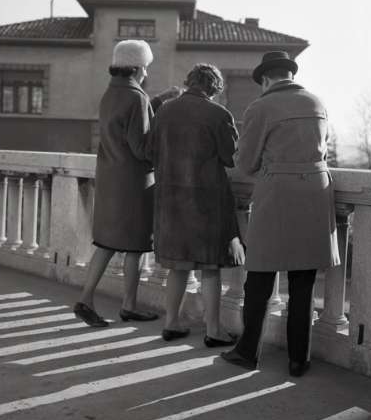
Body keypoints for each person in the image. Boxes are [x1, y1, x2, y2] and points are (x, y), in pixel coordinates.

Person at [221, 51, 340, 376]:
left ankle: (247, 351)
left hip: (278, 194)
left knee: (260, 276)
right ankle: (299, 359)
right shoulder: (317, 103)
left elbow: (246, 164)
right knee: (303, 281)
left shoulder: (260, 107)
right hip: (316, 192)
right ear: (290, 74)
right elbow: (324, 149)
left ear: (265, 79)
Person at [74, 39, 178, 327]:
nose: (147, 72)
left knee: (107, 243)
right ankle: (124, 304)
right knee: (136, 246)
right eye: (146, 67)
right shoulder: (137, 98)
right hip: (133, 184)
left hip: (110, 180)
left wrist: (158, 100)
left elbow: (128, 124)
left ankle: (89, 299)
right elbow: (141, 147)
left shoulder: (111, 94)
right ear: (137, 68)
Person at [146, 63, 246, 346]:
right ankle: (213, 330)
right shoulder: (218, 114)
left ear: (189, 82)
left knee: (178, 265)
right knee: (210, 266)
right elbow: (230, 157)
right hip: (206, 201)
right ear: (214, 87)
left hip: (170, 200)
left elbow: (150, 151)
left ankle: (171, 323)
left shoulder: (164, 112)